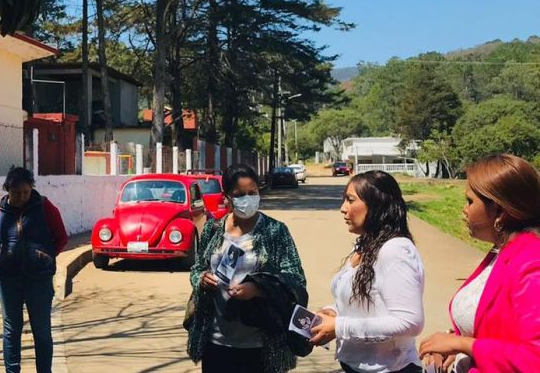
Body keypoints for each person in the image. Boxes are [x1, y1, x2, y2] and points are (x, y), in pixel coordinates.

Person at [419, 154, 540, 372]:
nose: (464, 209)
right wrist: (455, 344)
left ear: (499, 211)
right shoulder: (501, 252)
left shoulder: (531, 264)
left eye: (470, 201)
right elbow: (499, 327)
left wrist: (463, 344)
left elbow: (534, 359)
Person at [187, 163, 307, 373]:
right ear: (227, 197)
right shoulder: (212, 229)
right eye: (239, 194)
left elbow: (296, 279)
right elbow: (197, 268)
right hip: (216, 343)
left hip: (261, 344)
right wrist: (202, 280)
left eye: (252, 192)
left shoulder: (275, 231)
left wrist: (259, 289)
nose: (247, 199)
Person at [309, 170, 424, 373]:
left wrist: (339, 327)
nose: (343, 208)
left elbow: (409, 322)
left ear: (376, 204)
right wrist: (332, 312)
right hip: (355, 366)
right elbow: (367, 304)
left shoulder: (395, 250)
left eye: (350, 200)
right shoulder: (366, 245)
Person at [0, 167, 69, 373]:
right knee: (11, 330)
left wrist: (44, 256)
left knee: (41, 331)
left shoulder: (44, 207)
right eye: (16, 193)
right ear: (7, 190)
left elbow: (61, 237)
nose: (22, 197)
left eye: (26, 192)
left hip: (39, 280)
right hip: (9, 281)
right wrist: (10, 258)